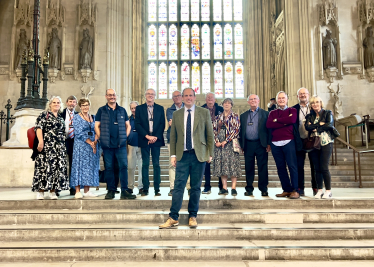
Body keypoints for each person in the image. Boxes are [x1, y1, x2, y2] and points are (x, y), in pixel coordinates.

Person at [159, 88, 214, 229]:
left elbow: (209, 134)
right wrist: (173, 155)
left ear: (195, 97)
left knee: (195, 187)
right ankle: (173, 217)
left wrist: (210, 153)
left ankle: (192, 216)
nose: (189, 98)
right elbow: (173, 136)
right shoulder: (177, 115)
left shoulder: (204, 112)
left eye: (191, 95)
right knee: (178, 187)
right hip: (182, 156)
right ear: (182, 98)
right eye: (186, 96)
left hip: (198, 155)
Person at [95, 89, 136, 200]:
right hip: (107, 145)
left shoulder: (122, 110)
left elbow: (128, 126)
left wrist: (125, 138)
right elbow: (96, 126)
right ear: (106, 96)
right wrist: (101, 138)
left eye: (113, 95)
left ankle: (124, 191)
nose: (112, 97)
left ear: (116, 96)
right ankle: (111, 191)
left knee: (123, 166)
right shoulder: (101, 110)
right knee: (109, 168)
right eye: (110, 95)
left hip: (120, 145)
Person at [32, 96, 69, 200]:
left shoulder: (61, 117)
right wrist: (41, 141)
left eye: (58, 102)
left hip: (59, 147)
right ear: (50, 104)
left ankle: (53, 191)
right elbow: (38, 128)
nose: (56, 104)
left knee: (57, 169)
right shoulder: (44, 115)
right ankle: (41, 191)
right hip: (47, 146)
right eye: (54, 102)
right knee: (44, 168)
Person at [266, 91, 299, 199]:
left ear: (287, 99)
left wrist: (277, 121)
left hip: (289, 141)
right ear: (276, 100)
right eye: (279, 98)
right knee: (280, 168)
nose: (281, 100)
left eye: (283, 98)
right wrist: (284, 122)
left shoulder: (292, 110)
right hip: (275, 143)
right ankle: (286, 189)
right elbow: (269, 124)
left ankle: (295, 190)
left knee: (292, 166)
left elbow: (292, 119)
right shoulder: (272, 113)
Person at [135, 88, 165, 196]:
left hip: (156, 140)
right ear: (145, 95)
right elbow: (137, 124)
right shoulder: (139, 108)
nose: (150, 95)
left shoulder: (160, 108)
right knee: (145, 164)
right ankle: (145, 188)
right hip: (144, 140)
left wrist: (155, 137)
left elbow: (162, 124)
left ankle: (157, 189)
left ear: (155, 95)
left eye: (152, 94)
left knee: (156, 164)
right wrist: (147, 136)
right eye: (148, 94)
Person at [239, 94, 271, 197]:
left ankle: (263, 189)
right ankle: (249, 188)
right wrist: (242, 145)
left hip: (261, 144)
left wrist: (269, 143)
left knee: (262, 167)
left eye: (255, 99)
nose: (253, 101)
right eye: (251, 99)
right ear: (248, 102)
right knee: (248, 167)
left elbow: (269, 130)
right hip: (248, 144)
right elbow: (241, 131)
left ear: (259, 101)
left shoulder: (266, 114)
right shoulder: (243, 115)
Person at [305, 95, 335, 199]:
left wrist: (315, 127)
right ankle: (320, 190)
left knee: (324, 167)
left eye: (317, 102)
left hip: (326, 142)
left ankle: (328, 190)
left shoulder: (328, 113)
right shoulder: (309, 116)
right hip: (313, 143)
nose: (315, 104)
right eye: (313, 103)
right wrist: (320, 125)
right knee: (317, 168)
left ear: (321, 103)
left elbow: (329, 125)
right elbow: (307, 127)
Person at [70, 98, 100, 198]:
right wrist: (90, 142)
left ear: (89, 106)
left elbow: (96, 130)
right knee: (79, 166)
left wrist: (94, 142)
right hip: (81, 145)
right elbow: (78, 133)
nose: (85, 107)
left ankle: (87, 191)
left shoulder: (93, 117)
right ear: (80, 106)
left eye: (87, 105)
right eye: (83, 105)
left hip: (92, 146)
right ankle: (77, 191)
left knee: (89, 167)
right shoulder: (77, 117)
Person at [212, 98, 241, 196]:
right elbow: (214, 130)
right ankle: (224, 187)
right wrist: (217, 141)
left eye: (229, 103)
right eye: (225, 103)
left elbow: (236, 130)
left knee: (233, 166)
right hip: (220, 145)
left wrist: (226, 140)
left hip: (231, 144)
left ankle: (233, 188)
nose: (227, 104)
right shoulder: (218, 117)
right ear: (222, 105)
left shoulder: (235, 116)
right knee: (222, 166)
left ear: (232, 105)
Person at [293, 88, 317, 196]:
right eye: (300, 94)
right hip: (299, 141)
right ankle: (300, 188)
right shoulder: (293, 109)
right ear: (297, 96)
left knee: (315, 165)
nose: (303, 95)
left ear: (309, 95)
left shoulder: (314, 108)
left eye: (304, 93)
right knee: (299, 166)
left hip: (313, 140)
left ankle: (316, 187)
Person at [166, 91, 190, 196]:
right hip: (173, 139)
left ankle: (189, 187)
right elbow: (171, 123)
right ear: (172, 98)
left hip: (187, 139)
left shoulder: (189, 108)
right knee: (172, 164)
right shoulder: (169, 110)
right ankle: (173, 188)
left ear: (182, 97)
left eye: (179, 96)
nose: (177, 98)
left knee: (189, 163)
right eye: (175, 96)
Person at [201, 92, 223, 194]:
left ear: (215, 100)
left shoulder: (221, 109)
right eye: (208, 97)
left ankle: (221, 186)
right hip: (205, 141)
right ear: (205, 100)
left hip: (218, 140)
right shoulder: (200, 109)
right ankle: (207, 186)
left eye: (212, 97)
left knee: (219, 163)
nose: (210, 99)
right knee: (206, 164)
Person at [62, 96, 78, 196]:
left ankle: (72, 187)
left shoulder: (78, 115)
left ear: (76, 104)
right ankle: (58, 188)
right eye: (70, 101)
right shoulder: (61, 114)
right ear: (66, 103)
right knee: (61, 163)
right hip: (63, 140)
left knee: (73, 165)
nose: (72, 103)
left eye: (74, 102)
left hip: (74, 141)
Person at [127, 101, 143, 195]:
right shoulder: (128, 119)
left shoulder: (143, 119)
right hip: (131, 145)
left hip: (142, 145)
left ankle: (141, 187)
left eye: (135, 108)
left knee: (141, 167)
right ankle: (130, 187)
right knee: (131, 167)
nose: (133, 110)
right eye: (132, 108)